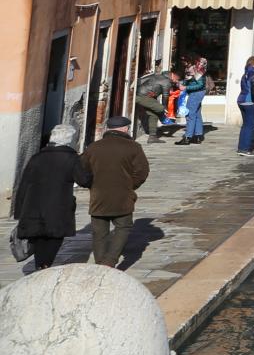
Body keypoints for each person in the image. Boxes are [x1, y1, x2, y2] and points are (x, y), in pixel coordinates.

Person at [75, 114, 149, 268]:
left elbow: (81, 169)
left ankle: (101, 262)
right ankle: (110, 261)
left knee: (99, 232)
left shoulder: (94, 147)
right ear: (125, 129)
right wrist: (130, 185)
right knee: (123, 227)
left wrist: (90, 184)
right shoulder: (133, 147)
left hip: (98, 196)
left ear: (108, 129)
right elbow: (142, 172)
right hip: (123, 196)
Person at [10, 124, 84, 271]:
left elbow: (24, 184)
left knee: (39, 236)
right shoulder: (72, 158)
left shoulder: (37, 158)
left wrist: (19, 211)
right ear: (69, 140)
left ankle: (41, 265)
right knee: (54, 237)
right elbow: (84, 180)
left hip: (34, 206)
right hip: (58, 206)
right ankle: (44, 265)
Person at [133, 65, 174, 143]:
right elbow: (165, 95)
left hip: (145, 97)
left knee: (153, 115)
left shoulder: (155, 78)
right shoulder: (166, 81)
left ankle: (152, 137)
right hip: (141, 96)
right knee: (160, 108)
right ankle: (164, 119)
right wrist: (165, 108)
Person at [177, 57, 208, 145]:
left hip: (196, 93)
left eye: (185, 61)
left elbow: (200, 85)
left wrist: (186, 87)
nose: (184, 63)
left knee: (190, 115)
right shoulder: (192, 69)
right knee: (197, 114)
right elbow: (190, 80)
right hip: (196, 93)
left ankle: (187, 137)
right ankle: (198, 136)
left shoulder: (198, 69)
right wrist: (182, 83)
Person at [234, 56, 254, 155]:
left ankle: (241, 147)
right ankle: (244, 148)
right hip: (249, 101)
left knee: (245, 125)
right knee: (250, 125)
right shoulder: (252, 73)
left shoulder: (245, 73)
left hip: (241, 100)